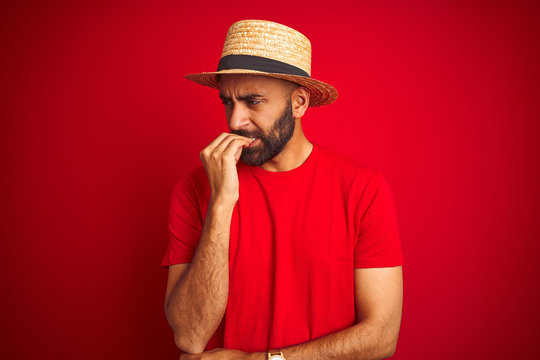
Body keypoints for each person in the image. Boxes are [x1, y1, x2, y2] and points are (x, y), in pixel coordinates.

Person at [162, 19, 404, 360]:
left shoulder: (363, 189)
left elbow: (382, 337)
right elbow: (189, 336)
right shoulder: (195, 188)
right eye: (227, 102)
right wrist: (221, 204)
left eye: (253, 101)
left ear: (299, 103)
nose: (235, 121)